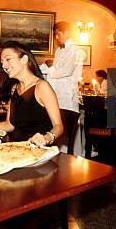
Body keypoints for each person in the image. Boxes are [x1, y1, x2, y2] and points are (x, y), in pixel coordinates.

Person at [0, 41, 63, 146]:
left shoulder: (41, 86)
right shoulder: (15, 88)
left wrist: (47, 138)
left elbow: (58, 126)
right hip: (17, 149)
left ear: (24, 59)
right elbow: (9, 125)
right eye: (2, 62)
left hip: (39, 151)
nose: (4, 65)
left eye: (8, 59)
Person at [40, 21, 84, 154]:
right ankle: (59, 157)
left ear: (67, 33)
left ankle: (73, 157)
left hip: (67, 97)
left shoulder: (76, 51)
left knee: (69, 130)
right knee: (57, 128)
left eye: (58, 34)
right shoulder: (59, 50)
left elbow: (65, 71)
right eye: (55, 34)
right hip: (56, 95)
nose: (56, 37)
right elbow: (54, 71)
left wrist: (46, 69)